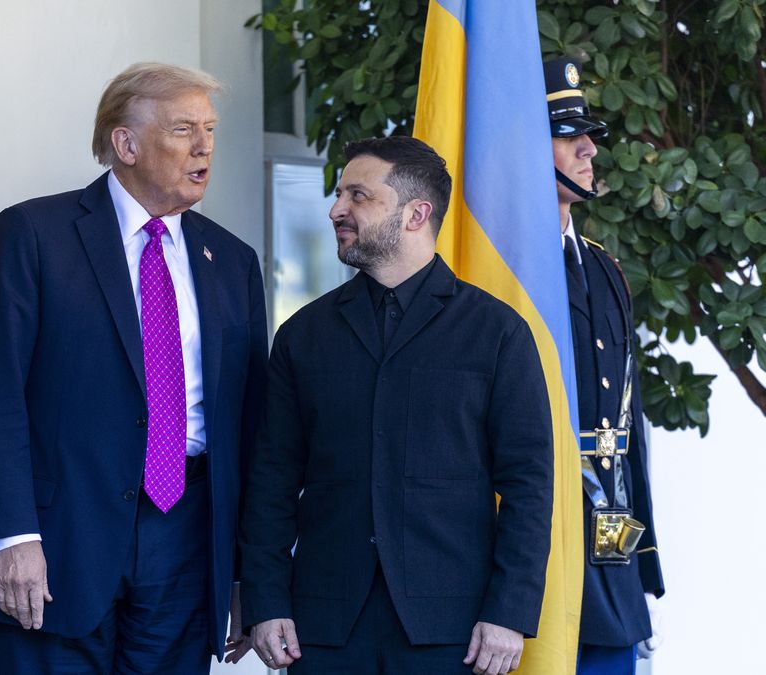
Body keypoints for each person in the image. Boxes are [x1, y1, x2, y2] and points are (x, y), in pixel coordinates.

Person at [0, 62, 268, 674]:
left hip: (187, 536)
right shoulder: (33, 234)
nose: (204, 147)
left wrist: (245, 569)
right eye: (182, 129)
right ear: (125, 143)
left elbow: (250, 423)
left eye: (210, 129)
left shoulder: (231, 260)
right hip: (60, 539)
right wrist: (13, 536)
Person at [238, 136, 555, 675]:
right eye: (340, 194)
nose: (337, 209)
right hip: (324, 628)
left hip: (455, 631)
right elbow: (271, 478)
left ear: (416, 214)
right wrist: (265, 601)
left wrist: (510, 611)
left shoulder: (498, 332)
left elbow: (528, 482)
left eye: (358, 195)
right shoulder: (303, 335)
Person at [544, 56, 665, 675]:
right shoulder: (500, 277)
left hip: (608, 555)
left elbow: (625, 437)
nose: (589, 147)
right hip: (533, 556)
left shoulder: (604, 269)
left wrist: (639, 575)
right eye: (568, 134)